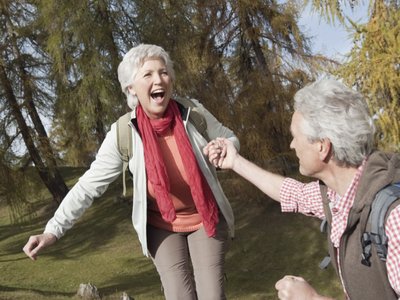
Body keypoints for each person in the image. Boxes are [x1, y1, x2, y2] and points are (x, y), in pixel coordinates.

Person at [23, 44, 240, 300]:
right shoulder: (123, 133)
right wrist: (52, 231)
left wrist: (224, 148)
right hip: (162, 226)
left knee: (212, 295)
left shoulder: (193, 113)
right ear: (131, 88)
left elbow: (230, 137)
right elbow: (87, 187)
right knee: (179, 295)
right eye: (147, 75)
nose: (159, 80)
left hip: (206, 218)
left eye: (163, 72)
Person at [203, 79, 400, 300]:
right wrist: (235, 161)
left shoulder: (393, 217)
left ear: (322, 147)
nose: (291, 145)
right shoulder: (338, 195)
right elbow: (292, 193)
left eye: (296, 136)